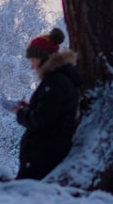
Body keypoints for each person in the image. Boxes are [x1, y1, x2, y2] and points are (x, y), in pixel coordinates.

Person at [11, 27, 80, 180]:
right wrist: (30, 108)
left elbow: (43, 119)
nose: (32, 66)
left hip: (43, 156)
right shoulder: (62, 79)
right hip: (49, 154)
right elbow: (51, 111)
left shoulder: (54, 82)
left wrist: (20, 112)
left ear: (43, 58)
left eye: (33, 60)